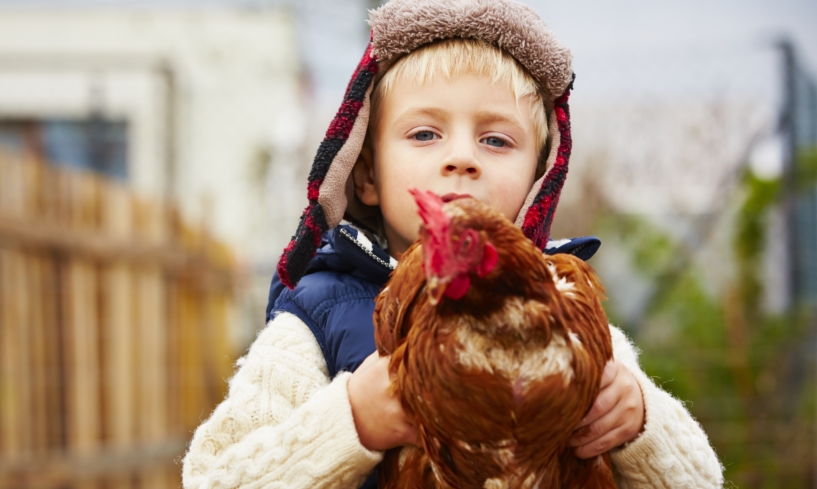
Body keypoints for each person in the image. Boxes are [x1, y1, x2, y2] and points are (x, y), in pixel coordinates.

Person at [182, 1, 724, 488]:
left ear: (538, 177)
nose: (461, 158)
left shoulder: (570, 310)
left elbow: (701, 479)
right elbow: (212, 478)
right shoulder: (316, 320)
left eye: (496, 139)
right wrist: (347, 423)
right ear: (366, 175)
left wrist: (640, 422)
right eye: (425, 134)